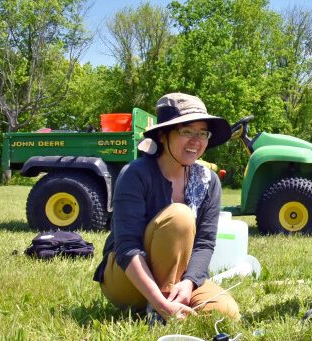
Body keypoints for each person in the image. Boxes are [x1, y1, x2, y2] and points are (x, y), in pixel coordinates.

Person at [92, 93, 240, 321]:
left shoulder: (209, 181)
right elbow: (127, 248)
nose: (196, 140)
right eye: (187, 131)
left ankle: (174, 303)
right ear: (163, 135)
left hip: (180, 274)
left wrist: (189, 283)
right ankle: (159, 311)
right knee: (180, 217)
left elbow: (204, 243)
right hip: (127, 277)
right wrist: (160, 303)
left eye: (202, 133)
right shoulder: (135, 174)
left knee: (225, 312)